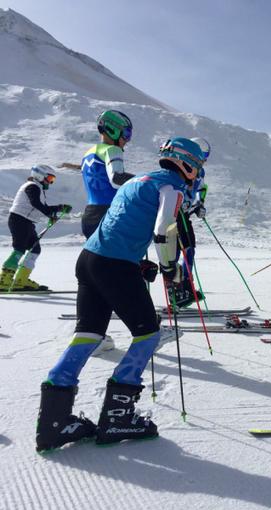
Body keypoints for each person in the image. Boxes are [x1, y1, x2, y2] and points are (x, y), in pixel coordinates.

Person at [36, 137, 205, 452]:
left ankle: (53, 423)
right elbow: (163, 230)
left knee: (88, 334)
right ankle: (118, 417)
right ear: (189, 165)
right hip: (114, 265)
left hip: (89, 260)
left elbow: (119, 223)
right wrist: (171, 269)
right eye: (198, 166)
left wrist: (138, 262)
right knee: (148, 334)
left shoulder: (137, 182)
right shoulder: (172, 188)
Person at [0, 165, 71, 291]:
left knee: (35, 249)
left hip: (25, 222)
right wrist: (50, 213)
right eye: (49, 178)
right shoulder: (32, 186)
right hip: (19, 220)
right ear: (40, 175)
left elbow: (41, 206)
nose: (50, 182)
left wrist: (59, 208)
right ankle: (4, 280)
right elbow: (36, 204)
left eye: (52, 180)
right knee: (19, 249)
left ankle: (20, 280)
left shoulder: (36, 188)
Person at [80, 110, 134, 239]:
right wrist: (141, 180)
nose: (127, 140)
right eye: (126, 134)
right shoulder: (112, 149)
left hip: (89, 216)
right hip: (109, 215)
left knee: (96, 258)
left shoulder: (88, 154)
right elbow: (116, 179)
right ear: (112, 130)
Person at [172, 137, 211, 308]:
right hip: (174, 214)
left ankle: (186, 286)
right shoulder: (182, 168)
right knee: (175, 253)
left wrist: (198, 206)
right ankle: (176, 290)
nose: (203, 161)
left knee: (189, 250)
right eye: (202, 157)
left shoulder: (200, 173)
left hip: (184, 215)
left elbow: (200, 191)